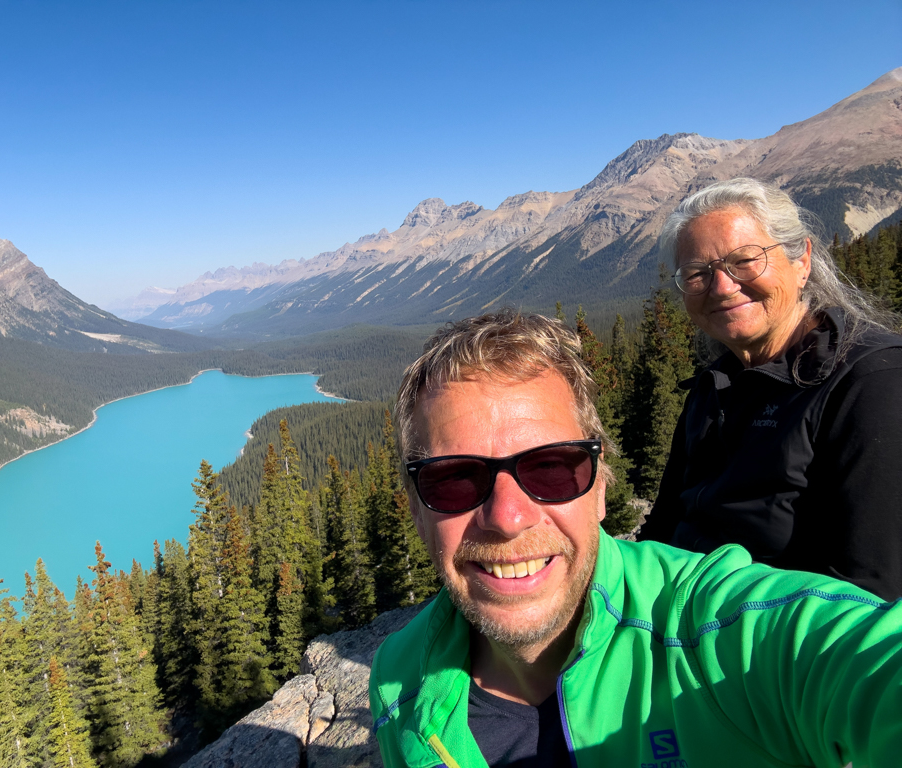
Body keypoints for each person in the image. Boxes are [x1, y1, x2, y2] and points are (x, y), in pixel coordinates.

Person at [369, 308, 902, 768]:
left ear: (600, 486)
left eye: (552, 468)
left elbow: (868, 661)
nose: (508, 517)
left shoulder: (715, 632)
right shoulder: (398, 678)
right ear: (417, 506)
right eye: (455, 478)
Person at [637, 178, 902, 601]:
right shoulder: (713, 387)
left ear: (802, 262)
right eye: (698, 274)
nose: (722, 286)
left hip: (776, 656)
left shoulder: (872, 382)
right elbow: (663, 528)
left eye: (745, 260)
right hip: (676, 631)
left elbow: (870, 593)